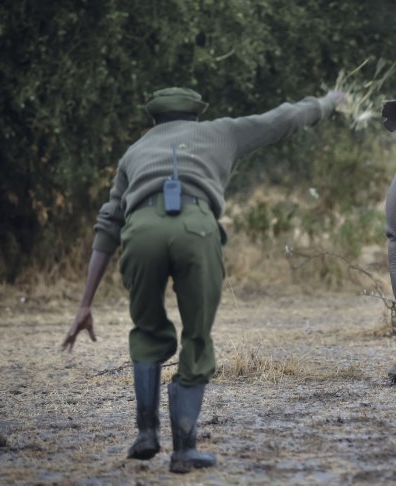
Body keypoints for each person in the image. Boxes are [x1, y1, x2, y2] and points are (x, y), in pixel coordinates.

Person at [61, 87, 345, 473]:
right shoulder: (223, 131)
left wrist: (84, 304)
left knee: (146, 330)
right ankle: (184, 450)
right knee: (196, 336)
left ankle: (146, 432)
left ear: (153, 120)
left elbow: (108, 223)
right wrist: (327, 103)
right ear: (196, 116)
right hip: (196, 229)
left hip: (140, 231)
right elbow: (282, 119)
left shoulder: (135, 151)